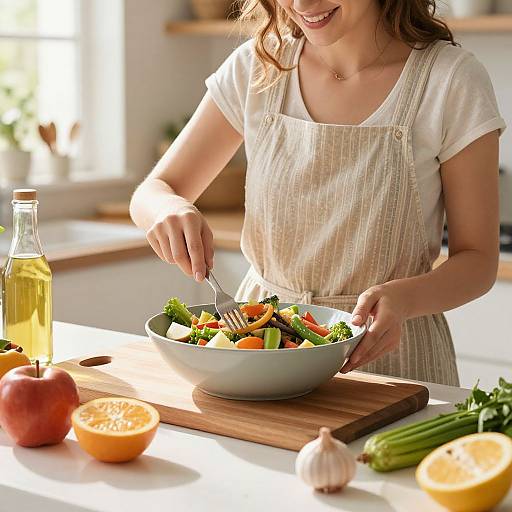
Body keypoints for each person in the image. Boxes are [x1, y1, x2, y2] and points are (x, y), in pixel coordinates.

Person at [130, 0, 506, 385]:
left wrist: (405, 298)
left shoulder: (450, 80)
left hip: (389, 358)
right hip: (260, 349)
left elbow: (477, 261)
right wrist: (167, 208)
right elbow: (153, 191)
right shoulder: (259, 65)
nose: (301, 4)